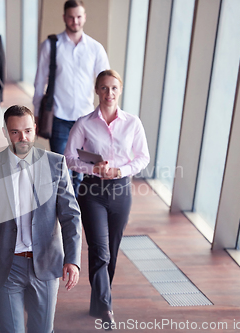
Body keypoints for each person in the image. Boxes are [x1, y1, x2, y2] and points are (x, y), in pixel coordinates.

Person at [0, 105, 82, 333]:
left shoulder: (55, 164)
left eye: (28, 131)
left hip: (47, 262)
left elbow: (71, 216)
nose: (23, 138)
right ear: (5, 132)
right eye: (15, 132)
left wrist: (73, 259)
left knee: (43, 329)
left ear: (35, 130)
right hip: (6, 264)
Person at [64, 70, 150, 326]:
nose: (109, 93)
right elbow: (69, 157)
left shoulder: (133, 123)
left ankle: (98, 302)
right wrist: (94, 169)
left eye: (113, 88)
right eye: (103, 88)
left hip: (121, 191)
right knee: (99, 251)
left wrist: (120, 171)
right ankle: (107, 308)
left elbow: (143, 157)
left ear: (120, 90)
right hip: (92, 192)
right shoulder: (84, 123)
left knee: (111, 251)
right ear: (96, 91)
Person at [33, 0, 110, 193]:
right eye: (71, 17)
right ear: (64, 17)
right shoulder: (51, 45)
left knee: (81, 172)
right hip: (59, 117)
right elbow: (39, 81)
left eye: (78, 16)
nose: (75, 21)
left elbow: (107, 83)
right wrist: (35, 112)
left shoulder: (95, 48)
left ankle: (73, 215)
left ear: (84, 17)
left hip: (86, 120)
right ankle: (65, 215)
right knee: (63, 170)